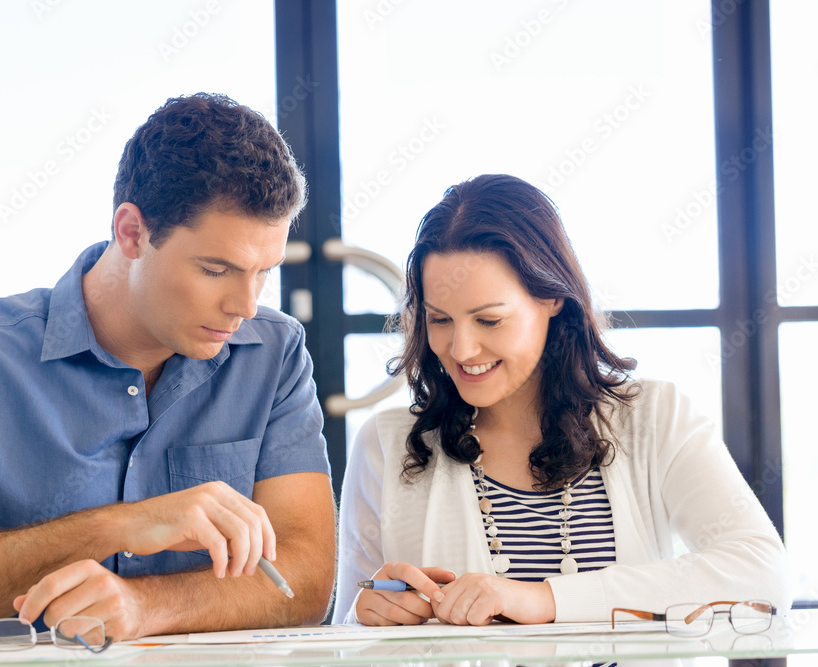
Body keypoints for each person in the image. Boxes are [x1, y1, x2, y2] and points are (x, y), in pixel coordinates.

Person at [0, 93, 336, 641]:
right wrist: (125, 524)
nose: (245, 306)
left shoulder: (273, 353)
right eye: (214, 269)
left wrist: (145, 606)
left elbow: (304, 583)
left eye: (263, 272)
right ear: (131, 232)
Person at [332, 174, 792, 626]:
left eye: (488, 320)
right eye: (440, 319)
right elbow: (343, 638)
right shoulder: (385, 445)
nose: (461, 350)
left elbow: (763, 577)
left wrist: (544, 600)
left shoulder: (654, 418)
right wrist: (363, 616)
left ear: (552, 298)